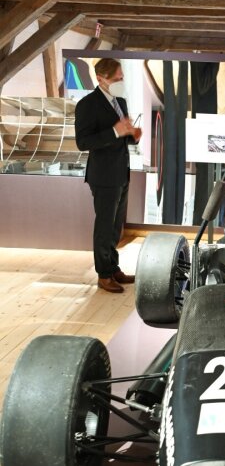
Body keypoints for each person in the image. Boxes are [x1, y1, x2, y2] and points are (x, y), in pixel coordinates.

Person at [75, 58, 142, 293]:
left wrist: (133, 133)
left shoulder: (120, 101)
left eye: (122, 77)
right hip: (103, 176)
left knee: (115, 227)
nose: (120, 81)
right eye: (117, 78)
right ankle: (103, 275)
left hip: (121, 173)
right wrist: (115, 131)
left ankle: (113, 268)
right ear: (101, 78)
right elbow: (83, 142)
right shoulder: (87, 105)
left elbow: (123, 135)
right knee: (104, 226)